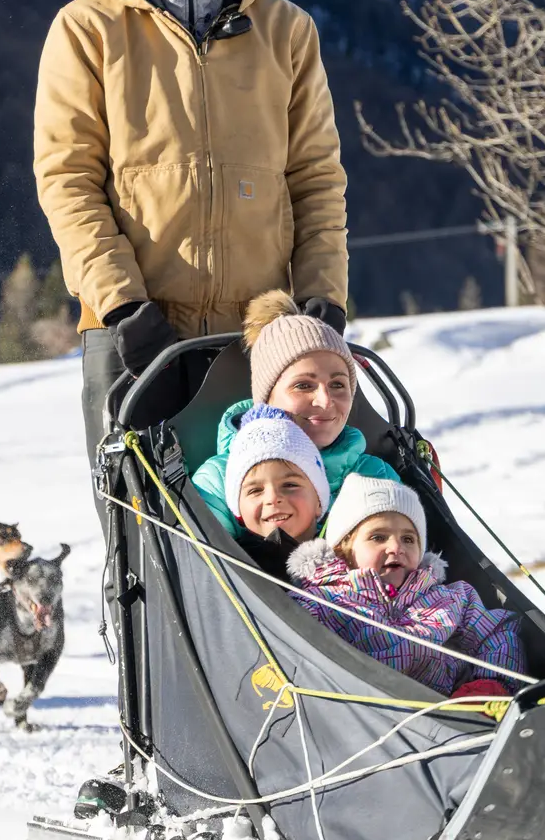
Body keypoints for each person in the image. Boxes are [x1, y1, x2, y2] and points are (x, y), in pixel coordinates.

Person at [34, 0, 350, 462]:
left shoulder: (286, 31)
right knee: (145, 539)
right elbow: (67, 181)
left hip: (259, 342)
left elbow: (316, 179)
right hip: (134, 335)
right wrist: (124, 307)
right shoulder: (87, 27)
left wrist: (323, 298)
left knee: (269, 537)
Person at [287, 476, 526, 698]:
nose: (396, 547)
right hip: (365, 717)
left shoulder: (449, 598)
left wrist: (489, 686)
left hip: (450, 715)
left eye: (408, 539)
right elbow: (294, 651)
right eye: (378, 537)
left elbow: (496, 633)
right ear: (344, 549)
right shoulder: (322, 602)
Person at [194, 291, 394, 531]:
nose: (325, 401)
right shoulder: (218, 481)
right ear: (266, 399)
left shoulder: (373, 475)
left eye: (338, 385)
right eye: (303, 386)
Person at [219, 404, 329, 578]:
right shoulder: (231, 569)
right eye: (255, 490)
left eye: (290, 485)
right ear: (238, 511)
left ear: (319, 500)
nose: (273, 498)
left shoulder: (348, 554)